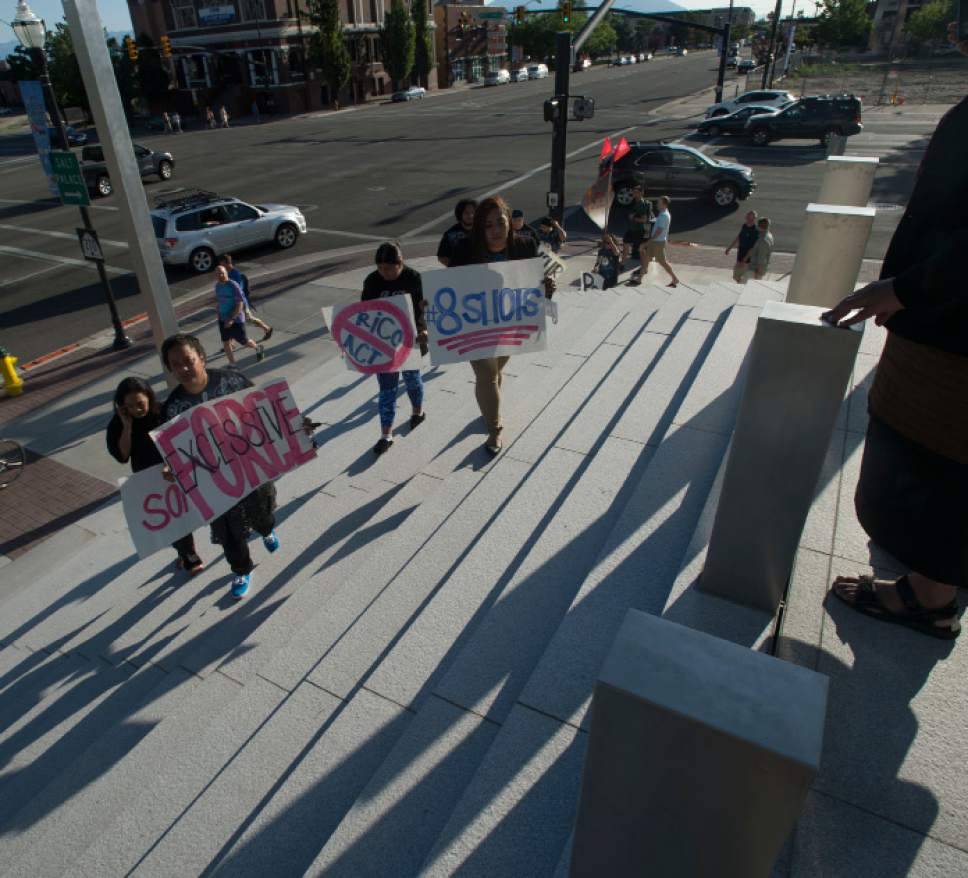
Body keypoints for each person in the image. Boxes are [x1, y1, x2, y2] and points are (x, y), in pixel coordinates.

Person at [821, 20, 967, 640]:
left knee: (931, 463)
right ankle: (935, 576)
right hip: (939, 315)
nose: (957, 31)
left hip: (952, 335)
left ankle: (930, 595)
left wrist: (902, 290)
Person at [159, 334, 300, 599]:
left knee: (261, 512)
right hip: (213, 481)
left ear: (201, 357)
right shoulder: (171, 409)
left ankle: (267, 530)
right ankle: (241, 569)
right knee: (227, 530)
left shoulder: (230, 380)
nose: (183, 368)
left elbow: (263, 410)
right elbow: (174, 453)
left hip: (249, 467)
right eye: (175, 364)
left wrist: (291, 427)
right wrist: (170, 469)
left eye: (188, 360)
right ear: (170, 369)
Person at [449, 196, 556, 455]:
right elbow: (450, 286)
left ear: (510, 221)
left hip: (511, 320)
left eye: (500, 222)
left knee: (495, 372)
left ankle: (489, 405)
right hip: (474, 323)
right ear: (478, 229)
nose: (496, 231)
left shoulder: (526, 245)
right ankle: (494, 429)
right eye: (487, 225)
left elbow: (541, 280)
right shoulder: (464, 249)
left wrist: (548, 285)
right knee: (486, 374)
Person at [106, 377, 203, 575]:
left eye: (140, 404)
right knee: (172, 517)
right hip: (148, 478)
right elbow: (123, 456)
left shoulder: (163, 411)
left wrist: (173, 463)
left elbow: (181, 438)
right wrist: (127, 427)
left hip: (173, 469)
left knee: (187, 512)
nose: (136, 409)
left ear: (149, 397)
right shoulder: (118, 424)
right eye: (130, 406)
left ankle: (184, 550)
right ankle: (188, 555)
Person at [361, 242, 429, 455]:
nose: (384, 273)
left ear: (400, 263)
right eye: (380, 268)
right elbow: (363, 312)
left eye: (389, 268)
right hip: (384, 345)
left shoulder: (414, 278)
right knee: (387, 390)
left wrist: (423, 329)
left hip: (410, 341)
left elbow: (423, 307)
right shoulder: (372, 281)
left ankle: (417, 412)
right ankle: (386, 435)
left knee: (412, 380)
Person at [214, 264, 265, 365]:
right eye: (218, 274)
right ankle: (232, 364)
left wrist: (232, 319)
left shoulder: (233, 286)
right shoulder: (217, 286)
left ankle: (258, 347)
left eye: (222, 273)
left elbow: (239, 304)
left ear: (226, 273)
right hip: (223, 319)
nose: (220, 275)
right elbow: (220, 301)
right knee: (226, 342)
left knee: (244, 341)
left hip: (236, 319)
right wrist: (219, 312)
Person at [218, 254, 273, 341]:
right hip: (231, 303)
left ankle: (267, 328)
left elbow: (238, 291)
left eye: (221, 264)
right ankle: (230, 343)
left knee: (249, 319)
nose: (220, 266)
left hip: (240, 303)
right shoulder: (227, 273)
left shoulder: (236, 274)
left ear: (226, 263)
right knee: (230, 321)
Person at [631, 195, 679, 288]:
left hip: (658, 243)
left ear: (664, 204)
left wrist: (647, 242)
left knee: (663, 262)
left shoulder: (664, 216)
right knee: (646, 259)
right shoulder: (663, 213)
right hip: (656, 242)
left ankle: (675, 279)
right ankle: (639, 279)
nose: (657, 204)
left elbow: (658, 232)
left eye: (659, 202)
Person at [437, 198, 477, 267]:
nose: (471, 216)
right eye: (466, 213)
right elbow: (442, 257)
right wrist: (455, 267)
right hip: (459, 273)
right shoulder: (450, 234)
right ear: (460, 214)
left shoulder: (483, 231)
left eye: (473, 213)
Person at [621, 185, 653, 264]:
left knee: (641, 250)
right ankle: (622, 263)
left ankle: (644, 267)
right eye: (634, 192)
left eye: (636, 192)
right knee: (625, 243)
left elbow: (644, 219)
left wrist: (633, 218)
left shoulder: (641, 204)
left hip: (639, 230)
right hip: (632, 229)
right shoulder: (635, 202)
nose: (634, 193)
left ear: (641, 193)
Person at [725, 209, 759, 283]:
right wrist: (729, 248)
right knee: (736, 276)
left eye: (750, 218)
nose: (747, 219)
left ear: (754, 219)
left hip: (747, 259)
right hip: (740, 255)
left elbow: (752, 248)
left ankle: (743, 287)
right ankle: (742, 285)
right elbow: (739, 237)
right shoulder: (744, 226)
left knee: (740, 276)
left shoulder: (755, 231)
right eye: (747, 217)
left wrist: (744, 260)